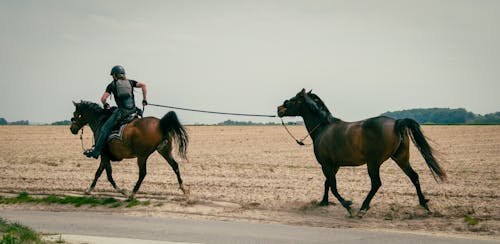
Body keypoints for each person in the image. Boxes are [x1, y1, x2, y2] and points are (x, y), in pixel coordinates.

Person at [83, 65, 148, 159]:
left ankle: (96, 151)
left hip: (122, 113)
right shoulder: (130, 82)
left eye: (112, 75)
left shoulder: (112, 85)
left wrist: (105, 104)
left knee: (104, 129)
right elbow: (144, 85)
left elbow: (103, 99)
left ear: (115, 75)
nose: (112, 77)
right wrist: (144, 99)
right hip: (134, 111)